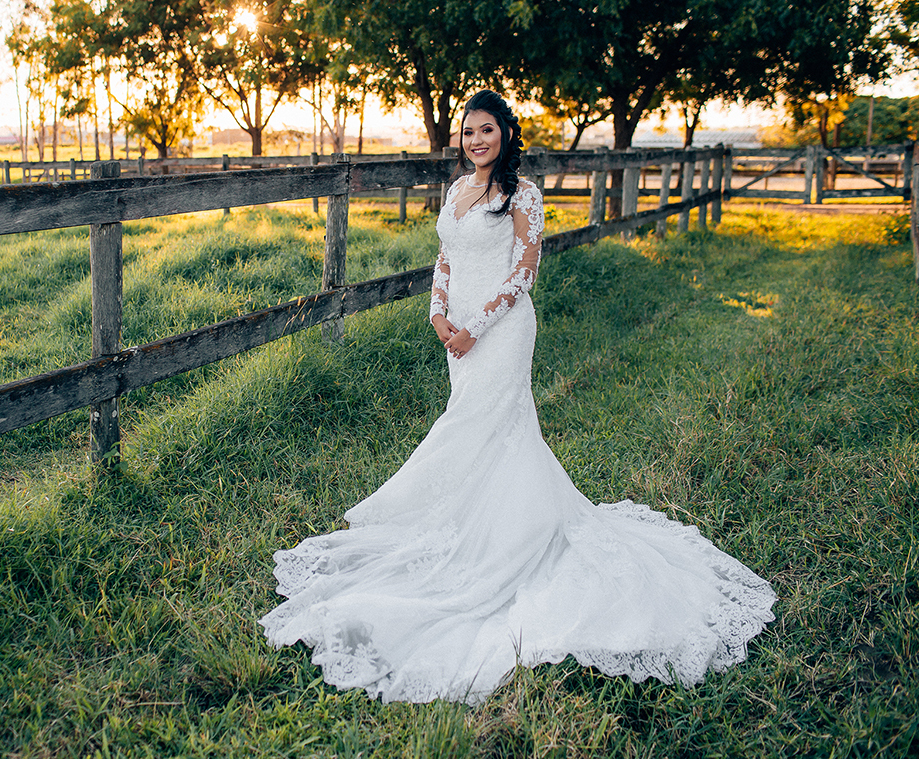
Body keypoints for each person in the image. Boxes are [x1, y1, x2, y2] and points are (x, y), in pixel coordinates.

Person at [259, 90, 776, 704]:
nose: (476, 140)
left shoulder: (521, 195)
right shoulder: (456, 191)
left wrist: (477, 325)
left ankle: (509, 545)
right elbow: (445, 258)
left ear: (506, 133)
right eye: (467, 132)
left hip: (502, 330)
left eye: (486, 130)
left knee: (488, 425)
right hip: (455, 328)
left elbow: (524, 272)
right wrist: (437, 315)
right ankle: (471, 524)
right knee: (474, 430)